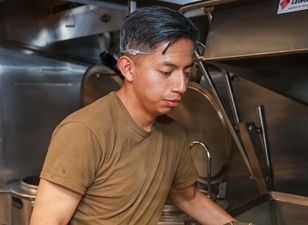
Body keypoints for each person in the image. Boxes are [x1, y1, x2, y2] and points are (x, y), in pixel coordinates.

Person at [30, 5, 244, 225]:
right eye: (166, 72)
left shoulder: (174, 134)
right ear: (128, 68)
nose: (181, 86)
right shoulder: (84, 132)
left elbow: (188, 198)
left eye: (187, 73)